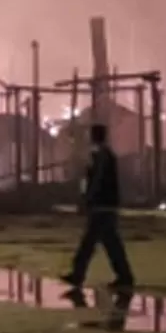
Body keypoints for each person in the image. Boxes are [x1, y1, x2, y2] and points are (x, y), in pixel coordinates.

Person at [63, 123, 134, 291]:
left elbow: (95, 181)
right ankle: (124, 276)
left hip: (102, 205)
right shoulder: (103, 155)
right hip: (106, 205)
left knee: (90, 242)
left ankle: (78, 274)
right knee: (110, 243)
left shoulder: (102, 157)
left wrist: (87, 199)